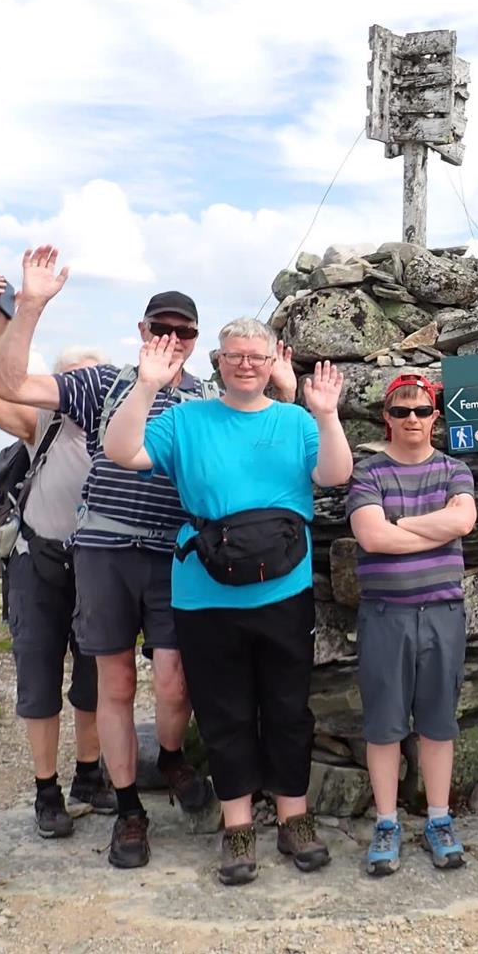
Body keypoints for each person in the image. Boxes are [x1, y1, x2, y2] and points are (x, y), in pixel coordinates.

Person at [0, 245, 295, 869]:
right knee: (118, 681)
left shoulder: (207, 400)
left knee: (176, 680)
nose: (172, 339)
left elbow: (266, 445)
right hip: (105, 549)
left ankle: (174, 758)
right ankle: (129, 810)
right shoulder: (102, 383)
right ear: (142, 329)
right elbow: (10, 385)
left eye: (185, 332)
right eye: (161, 328)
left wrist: (287, 393)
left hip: (174, 555)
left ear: (198, 341)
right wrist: (30, 308)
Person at [102, 317, 351, 885]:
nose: (245, 365)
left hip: (284, 591)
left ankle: (294, 818)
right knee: (223, 710)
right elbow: (122, 452)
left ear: (270, 362)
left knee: (288, 708)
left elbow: (336, 474)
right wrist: (146, 385)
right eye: (234, 355)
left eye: (255, 356)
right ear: (218, 361)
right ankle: (237, 827)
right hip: (204, 594)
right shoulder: (185, 420)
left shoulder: (295, 420)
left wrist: (327, 414)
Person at [0, 273, 114, 837]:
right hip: (39, 563)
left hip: (97, 565)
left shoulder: (120, 427)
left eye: (92, 376)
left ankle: (88, 776)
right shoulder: (40, 422)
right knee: (39, 675)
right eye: (70, 376)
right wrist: (2, 323)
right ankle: (46, 790)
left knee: (95, 676)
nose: (80, 386)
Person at [348, 374, 477, 878]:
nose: (412, 420)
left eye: (422, 411)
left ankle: (439, 819)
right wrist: (430, 529)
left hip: (443, 613)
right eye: (401, 411)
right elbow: (371, 538)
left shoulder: (454, 469)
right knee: (383, 724)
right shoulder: (368, 472)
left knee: (439, 722)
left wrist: (398, 524)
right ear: (387, 417)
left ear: (434, 417)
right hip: (386, 614)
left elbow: (462, 522)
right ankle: (387, 823)